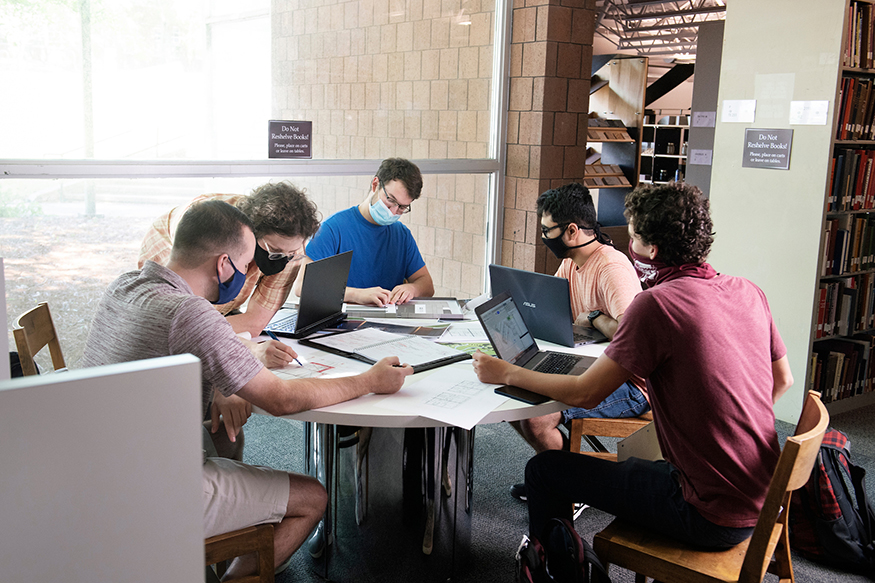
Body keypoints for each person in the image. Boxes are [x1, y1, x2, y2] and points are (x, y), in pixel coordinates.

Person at [81, 200, 413, 579]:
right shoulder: (190, 313)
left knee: (227, 435)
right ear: (223, 265)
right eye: (243, 267)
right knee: (312, 497)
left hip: (94, 469)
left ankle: (225, 537)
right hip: (146, 490)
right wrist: (370, 381)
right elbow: (282, 399)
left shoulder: (126, 284)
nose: (245, 275)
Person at [472, 181, 793, 550]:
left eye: (634, 237)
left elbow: (587, 394)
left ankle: (557, 569)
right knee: (632, 468)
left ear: (652, 250)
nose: (629, 247)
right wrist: (729, 432)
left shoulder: (656, 305)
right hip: (758, 496)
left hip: (705, 513)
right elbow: (783, 379)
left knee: (545, 471)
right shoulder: (747, 290)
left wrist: (506, 372)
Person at [508, 183, 649, 502]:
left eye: (548, 230)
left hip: (631, 384)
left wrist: (597, 316)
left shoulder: (611, 268)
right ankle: (558, 474)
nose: (544, 237)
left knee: (535, 417)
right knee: (512, 399)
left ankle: (564, 490)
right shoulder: (571, 262)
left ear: (572, 230)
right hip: (594, 363)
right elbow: (554, 310)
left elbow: (634, 337)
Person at [139, 182, 319, 368]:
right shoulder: (210, 225)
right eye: (274, 251)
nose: (282, 260)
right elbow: (185, 327)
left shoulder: (291, 250)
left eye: (290, 253)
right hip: (169, 247)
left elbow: (255, 321)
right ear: (251, 234)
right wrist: (251, 349)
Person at [302, 157, 435, 306]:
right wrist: (356, 295)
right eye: (390, 200)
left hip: (388, 323)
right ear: (375, 184)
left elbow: (427, 285)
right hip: (343, 324)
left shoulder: (402, 235)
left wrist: (413, 288)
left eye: (402, 207)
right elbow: (302, 286)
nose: (393, 211)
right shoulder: (333, 229)